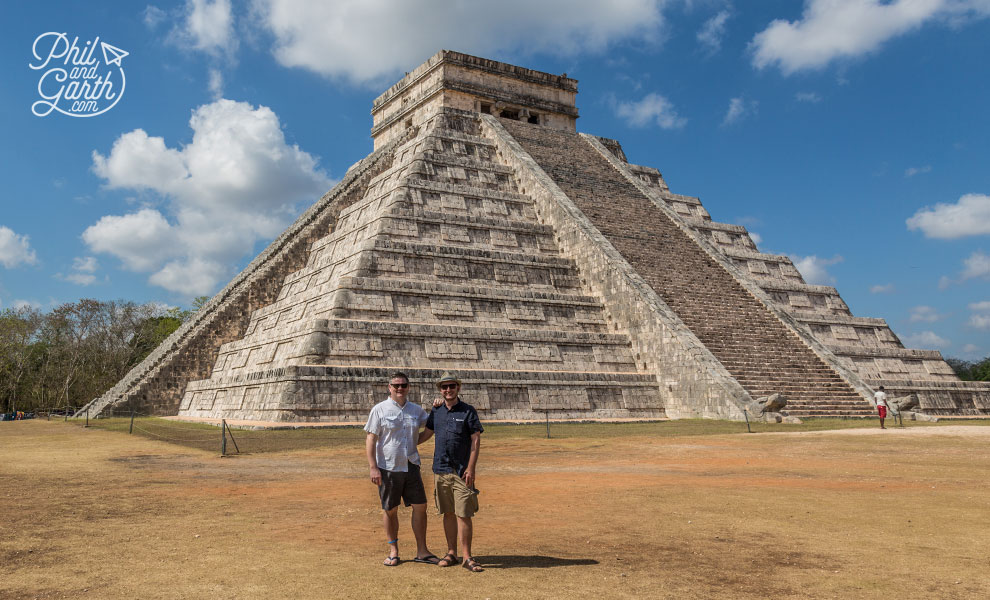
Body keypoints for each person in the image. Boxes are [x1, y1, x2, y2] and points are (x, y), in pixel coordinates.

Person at [364, 372, 440, 566]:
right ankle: (393, 550)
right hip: (388, 467)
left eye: (403, 385)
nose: (399, 388)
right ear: (389, 387)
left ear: (408, 387)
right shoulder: (379, 409)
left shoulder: (416, 410)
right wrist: (373, 467)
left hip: (411, 464)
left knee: (420, 507)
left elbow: (430, 427)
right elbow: (371, 438)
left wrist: (436, 409)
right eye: (395, 385)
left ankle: (422, 550)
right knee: (390, 509)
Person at [419, 372, 485, 572]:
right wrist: (405, 444)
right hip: (441, 469)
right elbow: (427, 434)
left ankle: (467, 556)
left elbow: (475, 439)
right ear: (440, 389)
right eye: (444, 387)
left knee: (464, 513)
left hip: (461, 471)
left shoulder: (467, 411)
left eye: (452, 386)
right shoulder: (436, 410)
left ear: (458, 388)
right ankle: (451, 553)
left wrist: (471, 468)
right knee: (447, 513)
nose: (448, 390)